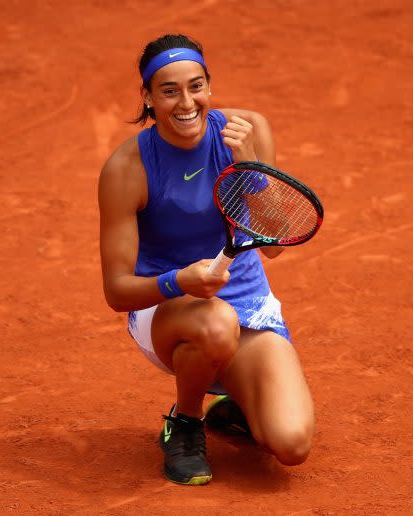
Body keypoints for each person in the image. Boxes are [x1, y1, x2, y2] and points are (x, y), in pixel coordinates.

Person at [98, 34, 314, 485]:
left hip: (247, 305)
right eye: (169, 91)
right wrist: (180, 282)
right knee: (214, 322)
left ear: (210, 87)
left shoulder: (248, 130)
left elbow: (272, 244)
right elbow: (117, 291)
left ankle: (234, 399)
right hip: (167, 311)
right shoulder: (127, 169)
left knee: (291, 445)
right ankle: (187, 421)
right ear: (149, 98)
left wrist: (249, 163)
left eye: (196, 86)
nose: (186, 103)